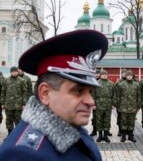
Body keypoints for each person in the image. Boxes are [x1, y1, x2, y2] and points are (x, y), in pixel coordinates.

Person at [0, 30, 108, 160]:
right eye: (78, 91)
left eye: (90, 92)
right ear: (45, 93)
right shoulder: (23, 154)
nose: (90, 101)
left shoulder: (71, 126)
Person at [1, 66, 27, 136]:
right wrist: (2, 103)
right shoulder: (6, 80)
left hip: (18, 105)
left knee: (18, 121)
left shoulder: (22, 81)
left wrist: (24, 104)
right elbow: (3, 92)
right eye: (13, 71)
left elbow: (24, 92)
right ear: (11, 72)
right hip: (8, 105)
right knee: (9, 121)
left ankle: (17, 136)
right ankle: (10, 135)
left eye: (15, 71)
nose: (14, 73)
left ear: (17, 72)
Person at [115, 70, 140, 143]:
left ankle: (130, 136)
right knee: (123, 122)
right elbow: (118, 96)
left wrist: (138, 106)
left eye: (130, 75)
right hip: (123, 107)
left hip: (133, 107)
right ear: (126, 76)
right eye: (128, 75)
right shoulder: (121, 84)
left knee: (131, 122)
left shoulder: (136, 84)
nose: (129, 76)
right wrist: (118, 106)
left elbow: (139, 96)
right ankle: (123, 136)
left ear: (132, 76)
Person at [94, 70, 114, 143]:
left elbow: (114, 94)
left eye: (106, 74)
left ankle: (105, 136)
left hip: (108, 104)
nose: (104, 75)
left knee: (107, 120)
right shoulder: (96, 82)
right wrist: (94, 104)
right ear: (101, 75)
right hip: (99, 104)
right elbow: (93, 94)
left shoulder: (111, 83)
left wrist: (113, 104)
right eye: (103, 74)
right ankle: (100, 136)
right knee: (99, 120)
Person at [114, 68, 127, 136]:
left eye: (125, 73)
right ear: (121, 74)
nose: (124, 74)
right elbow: (115, 93)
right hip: (120, 103)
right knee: (120, 117)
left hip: (128, 104)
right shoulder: (118, 82)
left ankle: (127, 130)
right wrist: (116, 104)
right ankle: (120, 130)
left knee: (127, 117)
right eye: (123, 73)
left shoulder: (131, 81)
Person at [89, 68, 101, 136]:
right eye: (95, 73)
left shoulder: (101, 81)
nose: (97, 75)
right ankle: (94, 130)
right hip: (94, 103)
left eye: (98, 73)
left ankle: (105, 131)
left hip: (102, 103)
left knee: (102, 118)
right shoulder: (91, 81)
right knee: (95, 118)